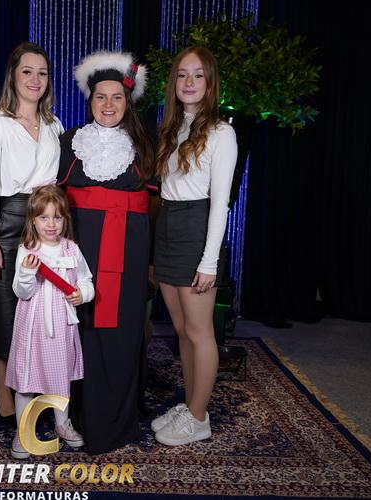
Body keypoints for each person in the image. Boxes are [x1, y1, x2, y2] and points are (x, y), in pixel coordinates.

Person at [57, 51, 155, 454]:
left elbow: (157, 200)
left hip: (128, 253)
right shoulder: (69, 142)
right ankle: (77, 415)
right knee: (79, 328)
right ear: (90, 100)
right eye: (101, 96)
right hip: (79, 250)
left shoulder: (145, 145)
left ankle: (117, 420)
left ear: (127, 102)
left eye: (117, 97)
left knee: (121, 330)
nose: (109, 104)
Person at [0, 42, 64, 425]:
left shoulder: (55, 126)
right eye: (27, 71)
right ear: (13, 75)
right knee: (5, 311)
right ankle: (4, 392)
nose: (35, 79)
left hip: (46, 227)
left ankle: (36, 391)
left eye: (42, 73)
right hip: (7, 224)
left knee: (41, 314)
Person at [150, 46, 237, 445]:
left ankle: (200, 418)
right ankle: (191, 404)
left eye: (198, 74)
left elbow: (220, 204)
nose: (189, 82)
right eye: (183, 74)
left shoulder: (222, 133)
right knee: (182, 330)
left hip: (197, 228)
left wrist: (209, 261)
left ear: (210, 82)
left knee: (201, 332)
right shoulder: (171, 127)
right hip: (169, 224)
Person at [5, 185, 94, 459]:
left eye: (57, 217)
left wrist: (83, 294)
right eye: (44, 217)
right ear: (33, 220)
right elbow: (22, 292)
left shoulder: (71, 249)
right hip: (33, 324)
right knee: (26, 378)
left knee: (60, 377)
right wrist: (27, 273)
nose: (51, 224)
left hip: (62, 324)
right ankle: (23, 429)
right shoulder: (27, 250)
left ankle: (62, 424)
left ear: (65, 219)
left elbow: (86, 279)